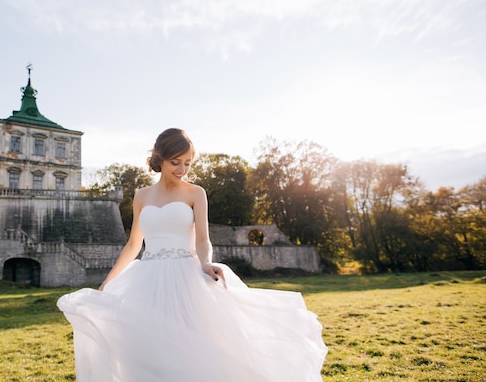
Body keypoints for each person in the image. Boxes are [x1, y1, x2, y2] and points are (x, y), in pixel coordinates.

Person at [57, 128, 327, 382]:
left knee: (194, 349)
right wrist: (109, 281)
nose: (182, 169)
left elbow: (202, 239)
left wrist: (206, 262)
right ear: (160, 159)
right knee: (148, 349)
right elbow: (133, 245)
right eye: (176, 162)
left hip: (186, 278)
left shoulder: (196, 193)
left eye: (188, 163)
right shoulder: (141, 196)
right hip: (147, 280)